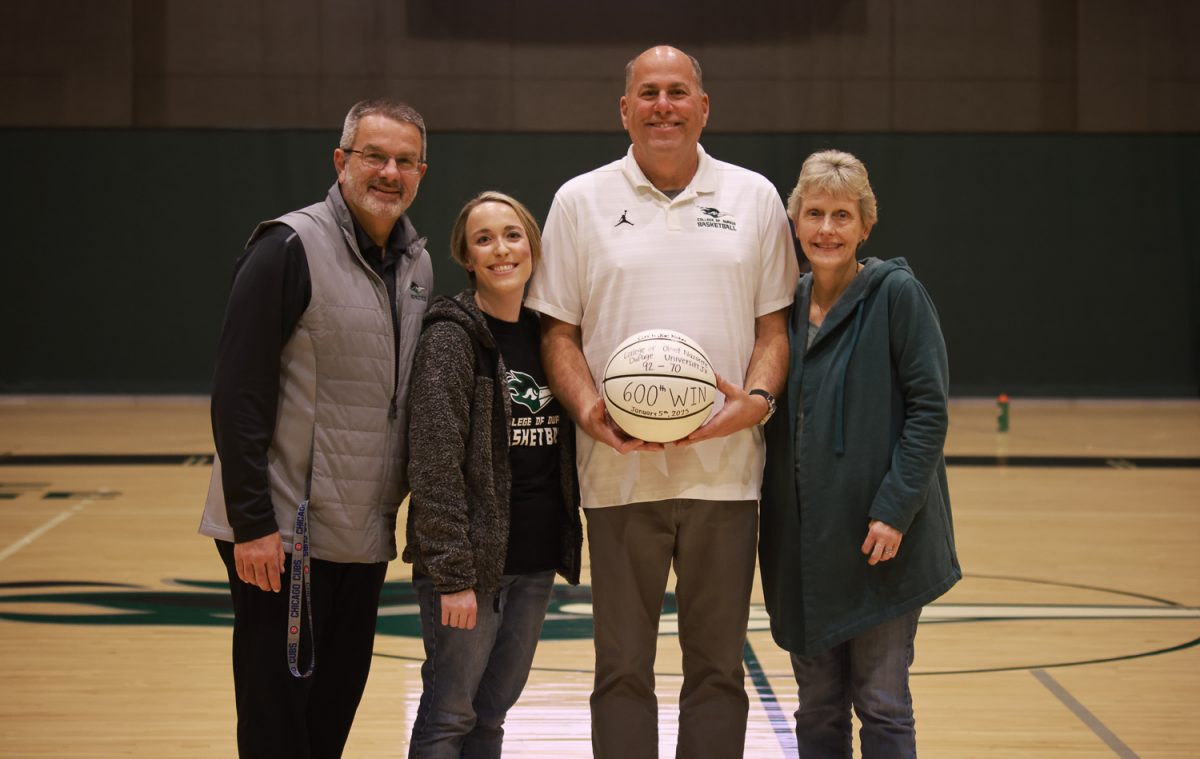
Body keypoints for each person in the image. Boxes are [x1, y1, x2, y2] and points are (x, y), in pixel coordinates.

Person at [525, 45, 799, 759]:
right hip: (618, 472)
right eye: (648, 92)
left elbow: (774, 328)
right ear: (625, 109)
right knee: (620, 670)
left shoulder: (755, 198)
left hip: (727, 471)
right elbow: (558, 330)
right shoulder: (579, 201)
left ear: (704, 107)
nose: (663, 105)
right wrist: (589, 411)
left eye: (678, 91)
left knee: (717, 669)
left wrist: (759, 399)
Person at [199, 98, 434, 758]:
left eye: (405, 161)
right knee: (280, 723)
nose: (389, 171)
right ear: (341, 161)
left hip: (361, 533)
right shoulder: (287, 247)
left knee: (331, 714)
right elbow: (238, 395)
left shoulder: (416, 265)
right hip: (284, 537)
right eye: (374, 156)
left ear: (421, 171)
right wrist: (251, 524)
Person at [758, 149, 961, 757]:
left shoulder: (898, 295)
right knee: (817, 709)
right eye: (814, 214)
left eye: (842, 216)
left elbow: (929, 412)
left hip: (881, 544)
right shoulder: (781, 311)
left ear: (865, 225)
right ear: (795, 222)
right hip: (805, 549)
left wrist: (895, 511)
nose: (826, 229)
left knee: (882, 704)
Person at [403, 191, 583, 757]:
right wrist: (452, 574)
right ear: (467, 256)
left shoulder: (549, 336)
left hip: (532, 564)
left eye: (512, 235)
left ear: (532, 246)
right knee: (448, 718)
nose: (501, 249)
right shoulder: (451, 339)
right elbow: (433, 466)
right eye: (484, 239)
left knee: (492, 716)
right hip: (470, 570)